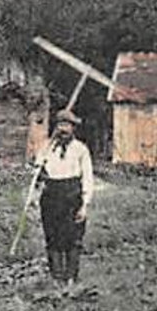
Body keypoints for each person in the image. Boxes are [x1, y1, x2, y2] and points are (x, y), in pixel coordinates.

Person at [33, 109, 94, 295]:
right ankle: (57, 279)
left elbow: (88, 178)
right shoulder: (46, 148)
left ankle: (71, 278)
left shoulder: (80, 149)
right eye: (60, 125)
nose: (63, 129)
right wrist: (38, 170)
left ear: (73, 128)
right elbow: (36, 171)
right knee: (53, 238)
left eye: (67, 125)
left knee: (72, 239)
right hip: (51, 195)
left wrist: (84, 205)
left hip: (72, 195)